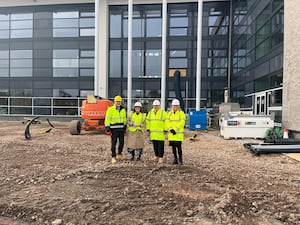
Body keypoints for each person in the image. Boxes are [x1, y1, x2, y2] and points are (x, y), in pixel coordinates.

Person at [104, 95, 127, 163]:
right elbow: (107, 119)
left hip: (121, 129)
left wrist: (125, 126)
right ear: (114, 102)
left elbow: (124, 118)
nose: (118, 103)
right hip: (113, 129)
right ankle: (113, 156)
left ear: (121, 102)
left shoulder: (123, 109)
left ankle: (119, 154)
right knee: (113, 144)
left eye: (119, 101)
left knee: (122, 143)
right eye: (117, 101)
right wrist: (107, 128)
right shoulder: (110, 109)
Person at [166, 99, 186, 165]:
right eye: (174, 106)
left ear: (178, 106)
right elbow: (167, 122)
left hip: (178, 134)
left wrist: (175, 129)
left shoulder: (181, 113)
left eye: (176, 106)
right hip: (172, 134)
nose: (175, 107)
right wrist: (170, 129)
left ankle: (180, 159)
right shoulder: (169, 114)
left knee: (179, 148)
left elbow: (182, 122)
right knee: (173, 148)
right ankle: (175, 159)